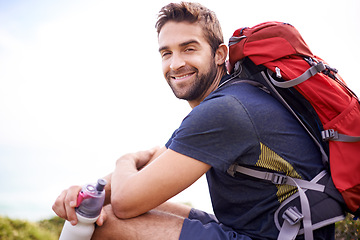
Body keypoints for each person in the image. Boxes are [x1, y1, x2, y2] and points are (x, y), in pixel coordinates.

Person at [53, 2, 338, 239]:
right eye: (167, 53)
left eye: (189, 49)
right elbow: (156, 160)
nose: (175, 64)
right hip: (271, 229)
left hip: (276, 236)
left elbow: (127, 202)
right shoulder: (231, 99)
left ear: (219, 54)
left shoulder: (226, 111)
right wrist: (88, 191)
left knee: (104, 225)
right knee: (103, 207)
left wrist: (124, 160)